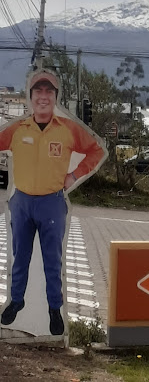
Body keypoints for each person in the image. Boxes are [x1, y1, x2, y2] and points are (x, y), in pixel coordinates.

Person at [0, 70, 106, 335]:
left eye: (49, 92)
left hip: (52, 203)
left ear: (55, 97)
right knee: (19, 258)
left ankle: (54, 310)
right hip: (22, 202)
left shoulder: (68, 129)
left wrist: (74, 176)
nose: (43, 97)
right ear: (31, 96)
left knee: (52, 261)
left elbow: (96, 150)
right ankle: (16, 301)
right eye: (39, 91)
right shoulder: (18, 129)